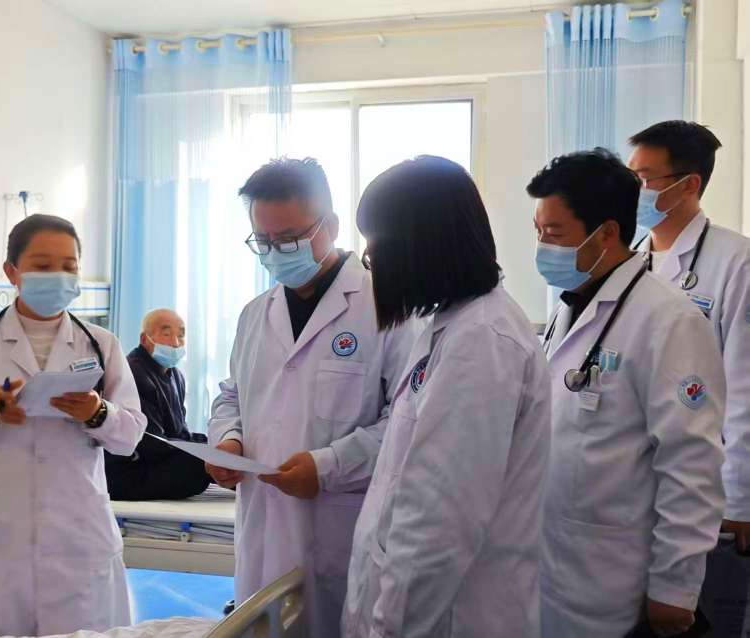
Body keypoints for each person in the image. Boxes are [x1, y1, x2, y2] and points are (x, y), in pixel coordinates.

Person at [206, 158, 420, 638]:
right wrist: (228, 440)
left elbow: (409, 419)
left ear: (332, 226)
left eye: (289, 239)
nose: (276, 252)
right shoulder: (255, 314)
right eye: (263, 241)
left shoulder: (389, 306)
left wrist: (328, 466)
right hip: (262, 531)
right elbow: (231, 394)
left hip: (340, 531)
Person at [340, 156, 551, 638]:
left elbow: (438, 520)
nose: (371, 259)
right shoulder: (452, 325)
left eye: (376, 244)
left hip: (454, 616)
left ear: (422, 245)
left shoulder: (482, 341)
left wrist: (388, 629)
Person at [0, 214, 147, 636]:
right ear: (12, 271)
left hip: (77, 541)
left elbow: (130, 436)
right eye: (42, 265)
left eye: (69, 266)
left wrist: (96, 413)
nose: (58, 275)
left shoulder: (101, 345)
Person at [531, 149, 725, 637]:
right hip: (550, 563)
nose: (542, 247)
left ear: (607, 233)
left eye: (554, 234)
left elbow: (691, 463)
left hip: (614, 576)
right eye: (538, 231)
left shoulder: (670, 321)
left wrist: (674, 588)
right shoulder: (569, 307)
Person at [628, 121, 750, 551]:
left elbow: (745, 387)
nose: (633, 190)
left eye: (643, 179)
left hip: (707, 485)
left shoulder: (736, 262)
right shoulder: (630, 264)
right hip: (636, 484)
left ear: (689, 185)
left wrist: (740, 497)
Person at [105, 308, 211, 501]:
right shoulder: (134, 373)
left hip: (159, 456)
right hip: (131, 469)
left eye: (181, 335)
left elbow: (180, 433)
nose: (176, 342)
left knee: (221, 451)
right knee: (200, 464)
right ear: (144, 339)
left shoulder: (176, 375)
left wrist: (212, 445)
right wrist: (204, 453)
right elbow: (151, 445)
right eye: (167, 334)